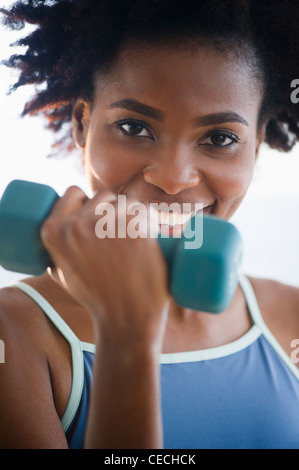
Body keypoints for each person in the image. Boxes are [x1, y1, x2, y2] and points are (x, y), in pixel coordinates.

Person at [0, 0, 299, 449]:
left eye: (219, 138)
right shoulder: (13, 335)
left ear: (255, 146)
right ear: (83, 124)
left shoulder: (291, 318)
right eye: (134, 127)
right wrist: (129, 332)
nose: (174, 178)